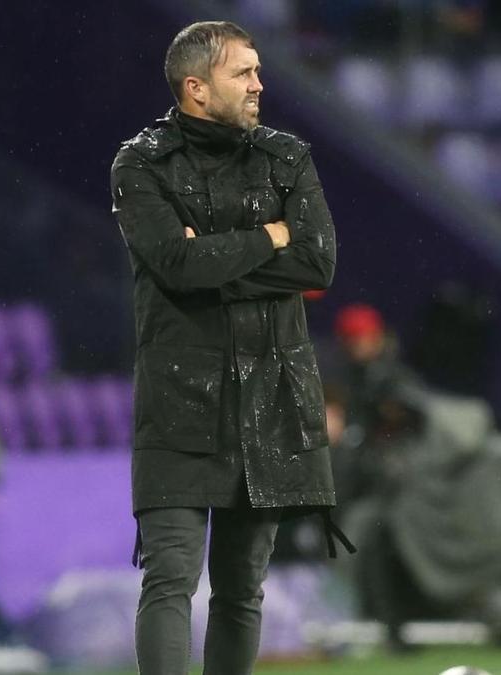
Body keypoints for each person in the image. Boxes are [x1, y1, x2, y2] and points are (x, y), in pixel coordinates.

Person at [110, 21, 350, 675]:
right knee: (169, 579)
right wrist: (269, 236)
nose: (259, 84)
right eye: (243, 72)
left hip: (270, 394)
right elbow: (175, 265)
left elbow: (319, 263)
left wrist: (210, 256)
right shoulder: (139, 162)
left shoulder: (287, 157)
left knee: (242, 590)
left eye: (258, 70)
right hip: (179, 405)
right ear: (196, 86)